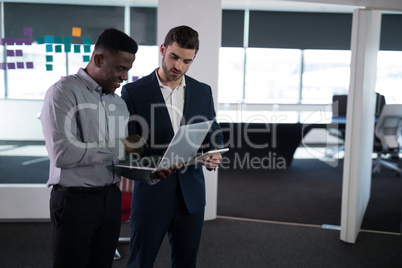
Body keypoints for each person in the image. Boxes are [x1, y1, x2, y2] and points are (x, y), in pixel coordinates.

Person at [41, 28, 175, 268]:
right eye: (120, 68)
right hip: (74, 202)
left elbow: (119, 160)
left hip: (111, 199)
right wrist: (121, 146)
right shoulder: (63, 92)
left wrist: (150, 174)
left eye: (128, 70)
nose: (124, 77)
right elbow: (63, 154)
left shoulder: (119, 103)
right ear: (99, 59)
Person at [121, 25, 224, 268]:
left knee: (186, 262)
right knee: (140, 262)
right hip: (152, 196)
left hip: (191, 197)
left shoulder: (202, 91)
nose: (178, 66)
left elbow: (213, 129)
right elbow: (128, 146)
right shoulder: (134, 92)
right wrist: (151, 163)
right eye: (174, 57)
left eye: (187, 61)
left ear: (194, 58)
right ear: (162, 49)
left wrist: (215, 151)